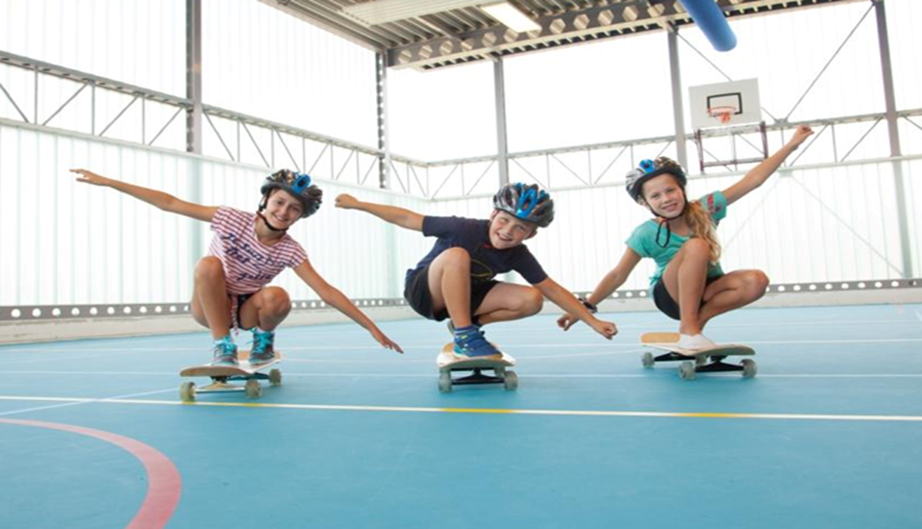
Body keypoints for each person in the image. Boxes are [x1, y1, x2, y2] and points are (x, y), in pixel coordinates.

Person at [71, 168, 403, 365]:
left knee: (278, 296)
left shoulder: (290, 250)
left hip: (247, 310)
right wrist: (110, 182)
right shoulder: (230, 219)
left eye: (294, 209)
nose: (283, 212)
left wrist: (371, 328)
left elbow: (326, 291)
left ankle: (263, 341)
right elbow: (170, 203)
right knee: (208, 265)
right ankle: (223, 345)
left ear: (300, 217)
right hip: (210, 304)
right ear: (265, 200)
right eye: (279, 202)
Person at [557, 125, 815, 350]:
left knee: (756, 280)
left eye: (670, 190)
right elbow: (617, 275)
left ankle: (693, 327)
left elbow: (753, 181)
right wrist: (584, 308)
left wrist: (791, 145)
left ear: (682, 189)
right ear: (645, 203)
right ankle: (690, 329)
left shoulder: (705, 209)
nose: (666, 199)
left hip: (708, 288)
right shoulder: (645, 233)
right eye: (656, 196)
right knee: (697, 245)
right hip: (670, 295)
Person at [335, 182, 618, 358]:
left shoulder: (519, 254)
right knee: (457, 255)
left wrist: (592, 322)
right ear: (493, 214)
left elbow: (551, 289)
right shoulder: (462, 228)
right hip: (425, 292)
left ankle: (467, 326)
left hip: (465, 298)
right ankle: (465, 335)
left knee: (532, 299)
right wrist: (358, 205)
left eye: (520, 228)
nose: (508, 231)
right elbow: (407, 218)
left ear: (530, 234)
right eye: (504, 220)